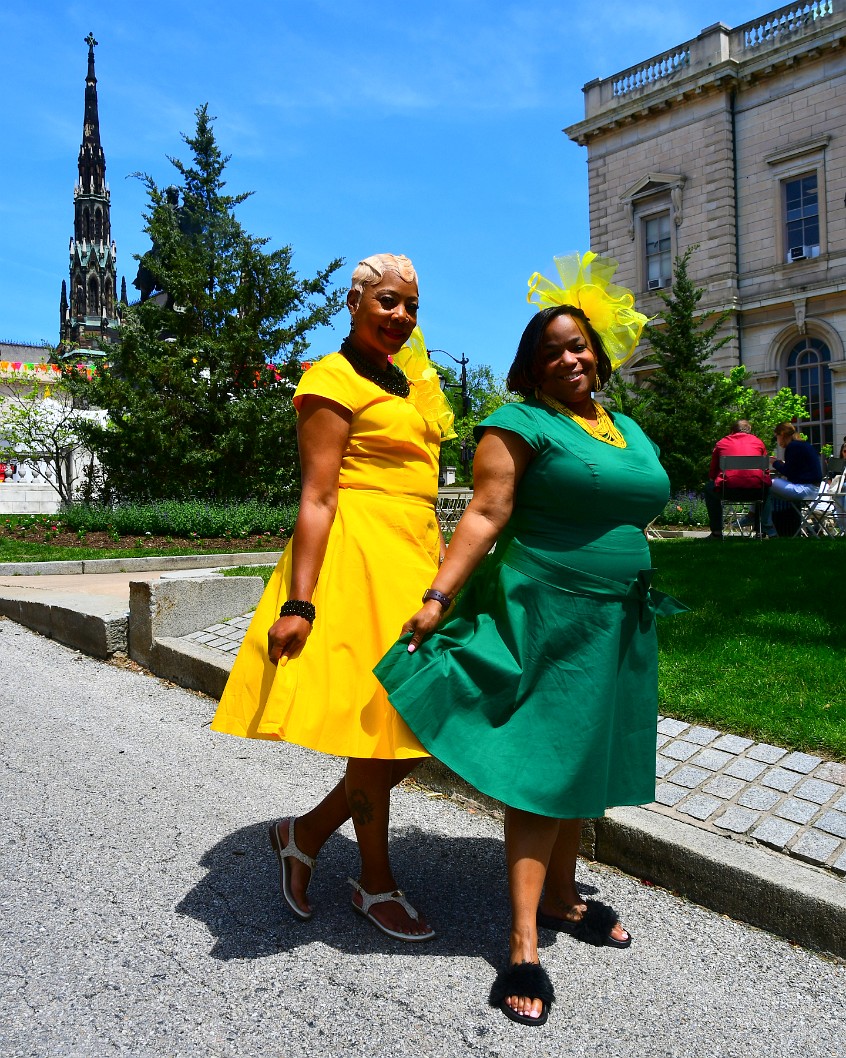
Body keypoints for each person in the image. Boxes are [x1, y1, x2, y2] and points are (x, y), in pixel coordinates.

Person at [376, 252, 686, 1026]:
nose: (569, 358)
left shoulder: (623, 426)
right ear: (531, 367)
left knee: (584, 760)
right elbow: (484, 513)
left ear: (598, 353)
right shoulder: (517, 423)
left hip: (619, 617)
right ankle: (521, 944)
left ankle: (561, 896)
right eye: (552, 351)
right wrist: (439, 597)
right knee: (545, 769)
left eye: (578, 345)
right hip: (548, 611)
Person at [211, 253, 455, 941]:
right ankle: (374, 882)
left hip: (410, 563)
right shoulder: (331, 378)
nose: (401, 316)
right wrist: (299, 602)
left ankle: (306, 832)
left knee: (420, 730)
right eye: (386, 302)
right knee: (380, 733)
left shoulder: (409, 387)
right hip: (356, 563)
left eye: (410, 305)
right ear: (353, 305)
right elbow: (318, 496)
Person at [702, 420, 771, 540]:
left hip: (727, 490)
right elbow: (766, 472)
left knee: (709, 488)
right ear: (749, 431)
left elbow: (713, 472)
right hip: (755, 492)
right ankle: (762, 531)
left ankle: (717, 532)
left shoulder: (722, 443)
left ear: (732, 431)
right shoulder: (759, 443)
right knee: (767, 489)